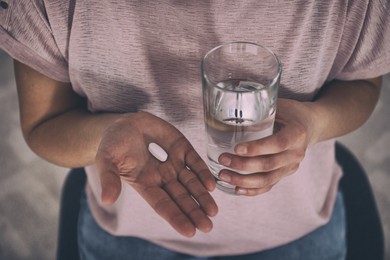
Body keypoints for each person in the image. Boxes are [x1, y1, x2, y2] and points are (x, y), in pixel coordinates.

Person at [1, 1, 389, 259]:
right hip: (128, 239)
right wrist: (105, 133)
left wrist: (316, 121)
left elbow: (364, 83)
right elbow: (43, 124)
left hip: (300, 235)